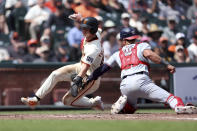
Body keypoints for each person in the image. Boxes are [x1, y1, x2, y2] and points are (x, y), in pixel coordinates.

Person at [81, 27, 197, 114]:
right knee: (172, 98)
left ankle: (123, 106)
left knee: (131, 109)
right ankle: (179, 107)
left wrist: (89, 78)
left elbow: (103, 69)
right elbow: (150, 55)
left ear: (123, 40)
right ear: (131, 39)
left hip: (125, 85)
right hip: (141, 80)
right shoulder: (141, 46)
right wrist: (166, 64)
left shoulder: (117, 53)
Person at [21, 13, 104, 110]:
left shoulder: (93, 48)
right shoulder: (96, 32)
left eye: (86, 28)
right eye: (83, 27)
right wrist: (81, 19)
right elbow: (94, 26)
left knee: (66, 101)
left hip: (91, 76)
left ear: (92, 30)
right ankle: (35, 99)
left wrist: (78, 79)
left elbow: (85, 68)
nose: (83, 30)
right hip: (81, 66)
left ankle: (93, 103)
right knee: (55, 74)